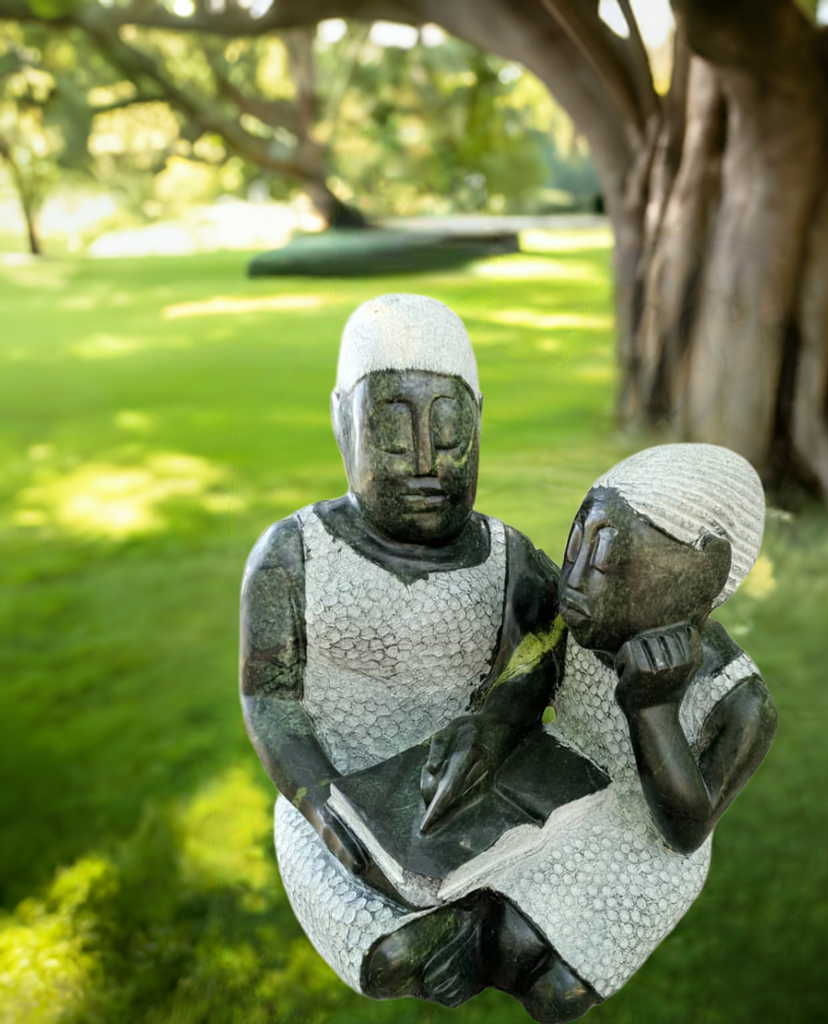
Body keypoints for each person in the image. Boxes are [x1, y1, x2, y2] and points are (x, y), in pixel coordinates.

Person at [239, 294, 566, 1004]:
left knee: (564, 864)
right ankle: (482, 930)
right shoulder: (293, 554)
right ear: (341, 423)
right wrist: (319, 799)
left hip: (464, 791)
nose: (425, 462)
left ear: (480, 421)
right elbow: (269, 698)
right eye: (390, 431)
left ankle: (483, 925)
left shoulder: (506, 556)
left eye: (449, 432)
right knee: (389, 959)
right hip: (339, 793)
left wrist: (500, 720)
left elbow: (558, 641)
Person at [484, 443, 778, 1017]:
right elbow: (520, 694)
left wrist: (654, 711)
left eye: (609, 563)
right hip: (563, 793)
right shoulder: (576, 626)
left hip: (646, 846)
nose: (574, 580)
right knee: (503, 942)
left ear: (696, 583)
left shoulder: (742, 705)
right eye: (576, 546)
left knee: (555, 995)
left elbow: (683, 831)